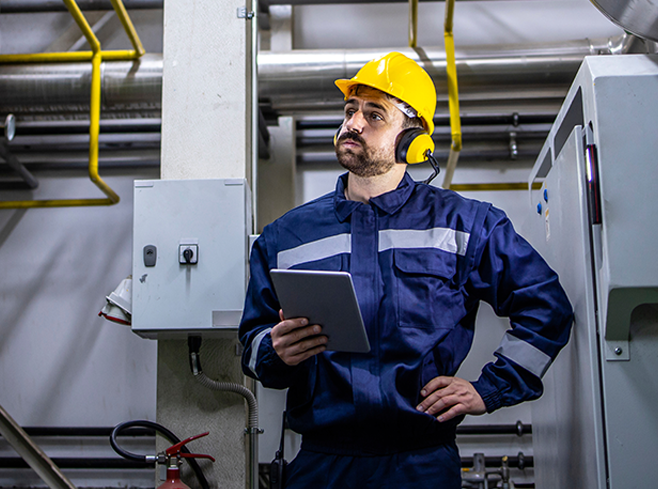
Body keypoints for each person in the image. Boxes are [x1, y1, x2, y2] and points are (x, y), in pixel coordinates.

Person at [239, 52, 573, 488]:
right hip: (321, 466)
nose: (353, 124)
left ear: (412, 140)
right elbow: (250, 342)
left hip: (421, 465)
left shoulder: (467, 226)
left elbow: (547, 308)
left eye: (374, 114)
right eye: (350, 111)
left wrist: (489, 389)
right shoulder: (286, 236)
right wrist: (273, 349)